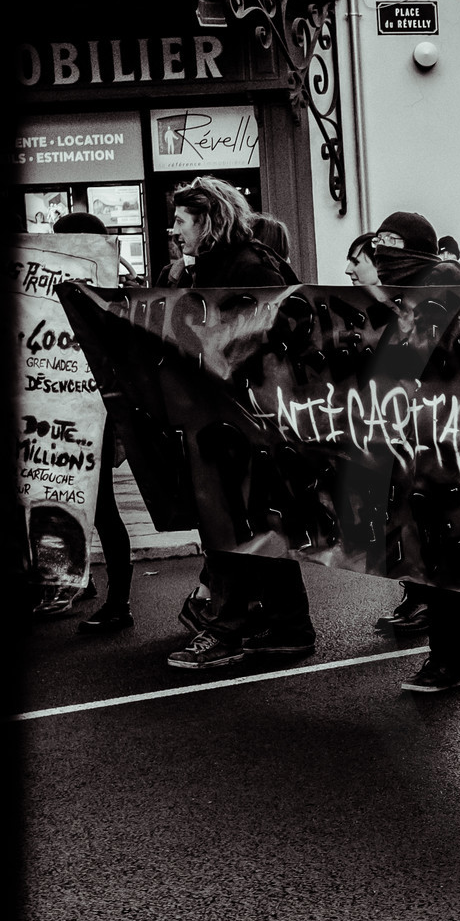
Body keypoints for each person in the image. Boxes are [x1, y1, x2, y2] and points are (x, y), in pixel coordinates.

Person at [164, 180, 317, 671]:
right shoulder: (223, 265)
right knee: (255, 524)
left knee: (233, 524)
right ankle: (286, 627)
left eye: (181, 222)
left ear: (207, 222)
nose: (174, 230)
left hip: (245, 419)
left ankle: (230, 630)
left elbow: (288, 323)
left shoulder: (247, 264)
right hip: (232, 417)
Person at [356, 210, 460, 693]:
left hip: (446, 441)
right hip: (417, 438)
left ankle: (447, 660)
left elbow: (422, 358)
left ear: (416, 248)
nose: (382, 251)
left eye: (393, 242)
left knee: (441, 548)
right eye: (380, 242)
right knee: (430, 546)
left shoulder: (440, 287)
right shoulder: (410, 295)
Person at [50, 212, 135, 632]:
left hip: (92, 411)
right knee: (79, 503)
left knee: (101, 508)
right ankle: (84, 583)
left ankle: (119, 602)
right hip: (71, 408)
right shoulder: (104, 284)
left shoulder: (106, 287)